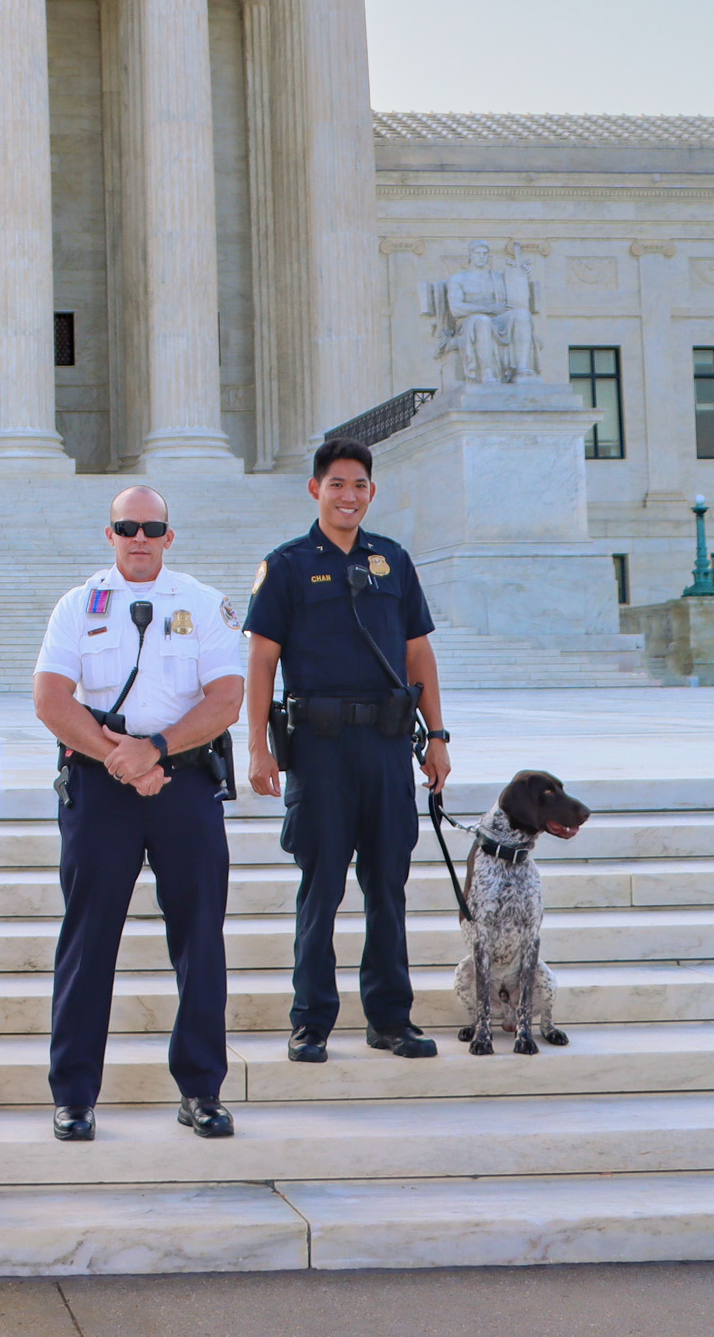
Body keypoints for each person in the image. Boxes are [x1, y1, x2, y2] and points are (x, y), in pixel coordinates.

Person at [33, 485, 243, 1144]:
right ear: (111, 532)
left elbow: (227, 697)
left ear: (169, 535)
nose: (140, 537)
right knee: (88, 942)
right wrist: (119, 757)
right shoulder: (78, 604)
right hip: (100, 788)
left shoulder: (202, 603)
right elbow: (50, 699)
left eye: (153, 526)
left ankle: (202, 1089)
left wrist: (154, 749)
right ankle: (73, 1095)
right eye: (128, 526)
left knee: (201, 938)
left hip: (184, 782)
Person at [243, 435, 453, 1065]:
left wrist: (437, 737)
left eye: (359, 485)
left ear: (371, 492)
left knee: (388, 885)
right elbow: (261, 661)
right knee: (322, 886)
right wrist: (258, 746)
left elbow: (418, 652)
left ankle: (391, 1018)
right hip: (321, 748)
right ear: (315, 490)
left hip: (388, 746)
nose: (348, 495)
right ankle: (310, 1021)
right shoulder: (286, 565)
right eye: (336, 484)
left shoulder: (393, 560)